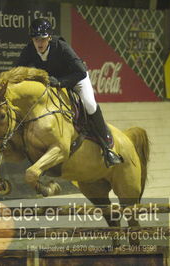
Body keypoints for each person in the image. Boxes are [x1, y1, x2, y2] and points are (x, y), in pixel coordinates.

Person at [16, 18, 122, 167]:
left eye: (43, 39)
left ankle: (108, 146)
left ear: (49, 37)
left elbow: (81, 71)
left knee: (90, 105)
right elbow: (16, 70)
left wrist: (60, 82)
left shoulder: (61, 47)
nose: (39, 43)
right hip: (54, 83)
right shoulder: (29, 50)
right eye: (36, 39)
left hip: (76, 79)